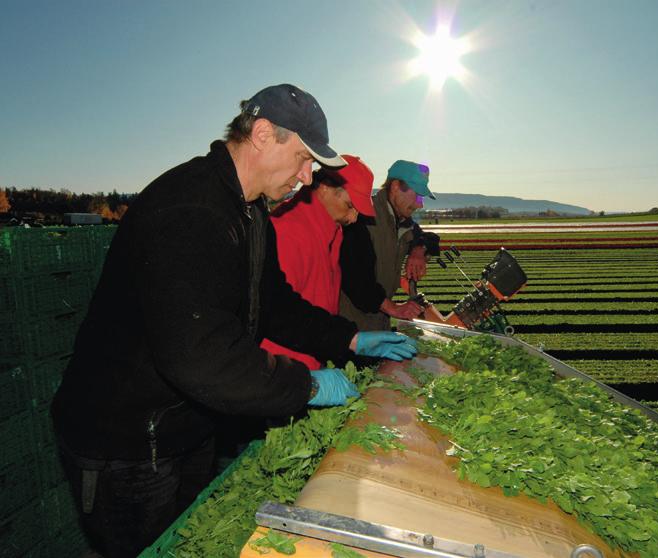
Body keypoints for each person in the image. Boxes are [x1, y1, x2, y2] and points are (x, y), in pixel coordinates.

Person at [50, 84, 416, 557]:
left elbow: (275, 303)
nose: (308, 178)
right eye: (305, 159)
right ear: (264, 134)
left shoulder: (249, 211)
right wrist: (306, 385)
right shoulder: (190, 209)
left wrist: (349, 339)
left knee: (192, 542)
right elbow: (200, 355)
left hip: (184, 423)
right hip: (127, 441)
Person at [261, 154, 376, 369]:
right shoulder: (287, 230)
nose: (353, 218)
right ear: (324, 187)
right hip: (285, 367)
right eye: (350, 205)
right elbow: (277, 315)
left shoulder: (332, 231)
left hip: (315, 357)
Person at [339, 160, 440, 331]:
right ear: (395, 187)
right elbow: (355, 279)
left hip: (378, 323)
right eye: (417, 195)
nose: (419, 204)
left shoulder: (403, 222)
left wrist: (418, 250)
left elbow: (429, 238)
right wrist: (394, 308)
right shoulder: (363, 218)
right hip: (350, 327)